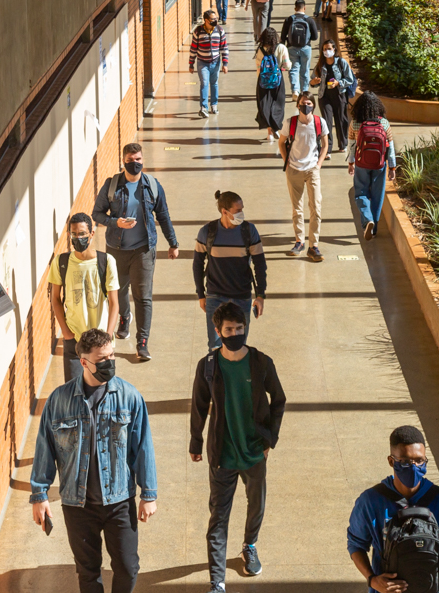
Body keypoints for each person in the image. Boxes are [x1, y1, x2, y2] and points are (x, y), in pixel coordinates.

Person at [30, 328, 158, 593]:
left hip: (118, 501)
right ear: (84, 362)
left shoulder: (129, 397)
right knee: (87, 571)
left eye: (111, 356)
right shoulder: (59, 400)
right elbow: (45, 448)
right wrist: (39, 495)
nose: (109, 362)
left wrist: (148, 494)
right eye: (102, 359)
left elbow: (143, 447)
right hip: (78, 505)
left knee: (128, 567)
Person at [190, 302, 287, 593]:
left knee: (256, 504)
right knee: (218, 516)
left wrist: (269, 440)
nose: (235, 334)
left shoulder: (261, 362)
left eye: (239, 328)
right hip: (222, 454)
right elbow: (198, 406)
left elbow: (279, 400)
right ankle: (217, 581)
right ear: (217, 331)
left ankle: (249, 545)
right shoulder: (208, 366)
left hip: (255, 451)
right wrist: (196, 441)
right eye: (229, 329)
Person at [91, 143, 179, 361]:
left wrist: (173, 243)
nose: (135, 163)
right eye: (130, 160)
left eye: (138, 159)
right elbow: (97, 214)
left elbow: (163, 215)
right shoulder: (112, 185)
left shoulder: (152, 186)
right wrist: (115, 222)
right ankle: (124, 316)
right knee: (118, 291)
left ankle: (142, 343)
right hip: (116, 250)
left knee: (143, 296)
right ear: (123, 161)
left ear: (142, 159)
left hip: (143, 251)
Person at [347, 426, 439, 593]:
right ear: (391, 461)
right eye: (405, 462)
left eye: (419, 460)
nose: (413, 467)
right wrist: (372, 580)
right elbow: (356, 544)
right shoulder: (370, 500)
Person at [193, 191, 268, 349]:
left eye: (242, 209)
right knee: (215, 346)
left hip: (242, 296)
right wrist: (201, 294)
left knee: (239, 346)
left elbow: (260, 264)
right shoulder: (207, 232)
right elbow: (197, 265)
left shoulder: (249, 231)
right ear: (224, 212)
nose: (241, 213)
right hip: (215, 296)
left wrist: (260, 295)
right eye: (237, 211)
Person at [50, 213, 120, 382]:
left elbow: (114, 303)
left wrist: (108, 336)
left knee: (102, 388)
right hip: (74, 340)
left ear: (91, 234)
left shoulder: (106, 261)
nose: (78, 238)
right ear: (69, 235)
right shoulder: (61, 262)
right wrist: (66, 333)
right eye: (74, 234)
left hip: (100, 340)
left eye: (82, 233)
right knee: (75, 390)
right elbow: (55, 299)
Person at [279, 92, 328, 262]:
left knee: (316, 207)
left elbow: (325, 145)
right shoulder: (290, 123)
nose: (305, 106)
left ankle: (313, 246)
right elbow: (281, 142)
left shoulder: (319, 122)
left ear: (313, 105)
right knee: (297, 209)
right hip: (294, 170)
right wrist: (287, 163)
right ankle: (299, 241)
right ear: (297, 105)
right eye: (302, 103)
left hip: (312, 169)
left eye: (308, 103)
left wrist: (319, 164)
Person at [348, 92, 397, 242]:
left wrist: (351, 163)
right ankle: (374, 229)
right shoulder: (384, 123)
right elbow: (390, 147)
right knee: (377, 196)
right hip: (379, 164)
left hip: (361, 163)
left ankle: (367, 219)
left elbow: (351, 146)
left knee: (360, 193)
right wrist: (392, 168)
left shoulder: (355, 123)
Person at [310, 38, 354, 151]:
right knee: (326, 122)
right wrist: (313, 82)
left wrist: (339, 83)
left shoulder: (341, 63)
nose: (327, 51)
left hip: (340, 95)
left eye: (329, 49)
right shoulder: (320, 65)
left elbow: (350, 79)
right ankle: (327, 148)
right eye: (325, 49)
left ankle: (342, 145)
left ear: (334, 49)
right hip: (324, 97)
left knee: (341, 120)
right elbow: (313, 80)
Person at [189, 9, 228, 118]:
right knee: (204, 83)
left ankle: (214, 105)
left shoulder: (219, 30)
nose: (215, 21)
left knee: (214, 83)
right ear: (206, 20)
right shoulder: (198, 31)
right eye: (213, 19)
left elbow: (224, 48)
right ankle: (204, 107)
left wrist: (225, 64)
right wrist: (191, 64)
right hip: (202, 63)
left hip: (215, 62)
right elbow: (193, 48)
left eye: (216, 19)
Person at [253, 27, 290, 143]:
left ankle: (269, 133)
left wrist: (261, 78)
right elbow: (287, 65)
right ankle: (276, 126)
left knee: (265, 105)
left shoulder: (260, 50)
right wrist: (282, 67)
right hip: (277, 81)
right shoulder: (281, 48)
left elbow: (258, 66)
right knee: (278, 104)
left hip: (263, 82)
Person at [280, 0, 318, 96]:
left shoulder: (289, 20)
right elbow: (315, 37)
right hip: (306, 48)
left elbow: (283, 37)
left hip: (291, 48)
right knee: (305, 70)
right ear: (304, 8)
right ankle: (304, 92)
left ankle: (295, 91)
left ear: (295, 8)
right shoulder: (309, 20)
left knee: (293, 69)